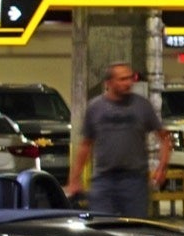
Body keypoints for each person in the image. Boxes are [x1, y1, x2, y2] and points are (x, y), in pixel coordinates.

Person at [66, 63, 172, 217]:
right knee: (102, 227)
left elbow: (164, 138)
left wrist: (162, 168)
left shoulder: (142, 106)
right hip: (103, 180)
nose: (128, 83)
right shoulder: (95, 108)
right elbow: (85, 145)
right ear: (109, 82)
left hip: (134, 181)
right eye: (122, 79)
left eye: (130, 79)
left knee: (135, 230)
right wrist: (75, 179)